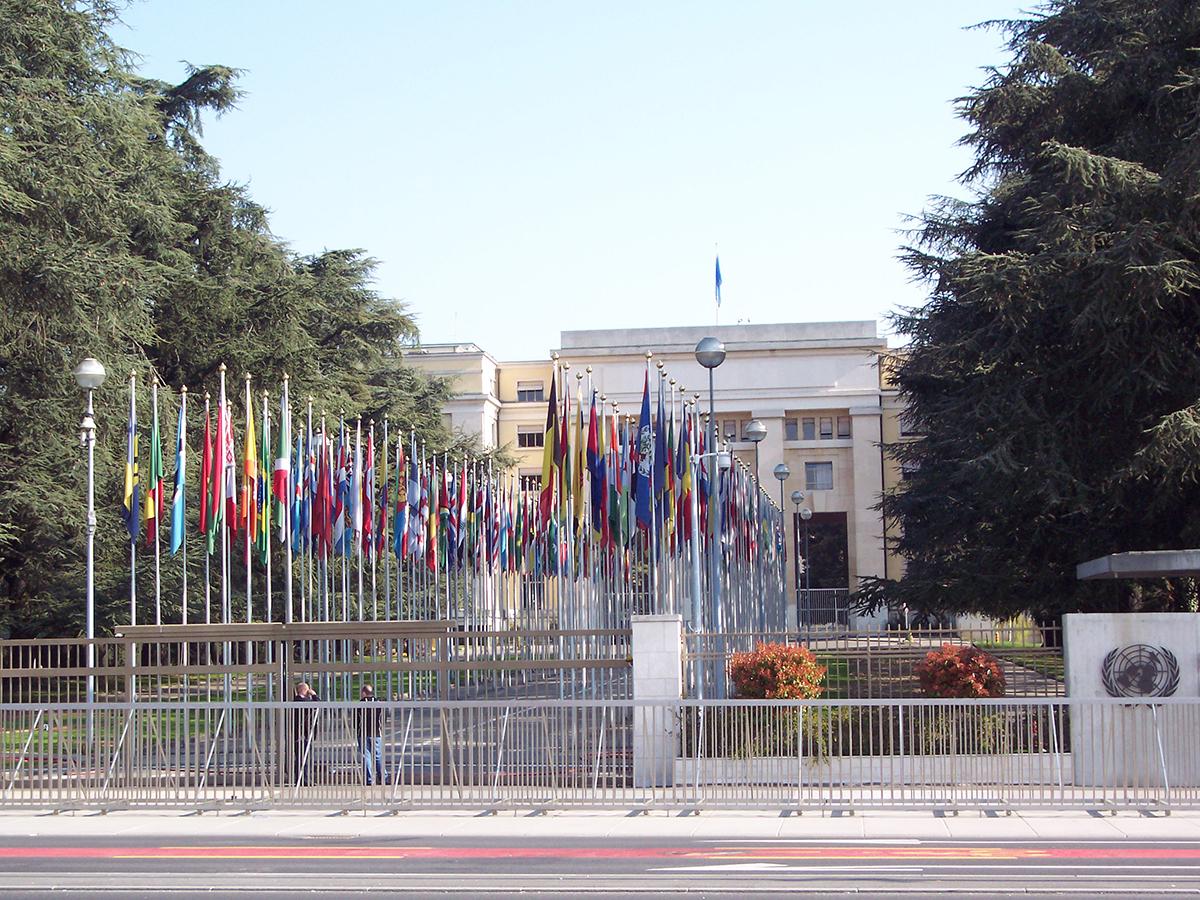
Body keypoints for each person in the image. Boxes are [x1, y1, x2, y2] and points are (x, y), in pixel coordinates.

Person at [355, 683, 387, 785]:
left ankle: (369, 779)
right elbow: (383, 718)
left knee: (366, 756)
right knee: (378, 756)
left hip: (362, 733)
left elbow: (356, 721)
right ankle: (383, 778)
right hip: (376, 733)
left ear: (364, 693)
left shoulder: (359, 704)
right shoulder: (379, 704)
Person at [292, 681, 320, 785]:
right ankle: (304, 780)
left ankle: (304, 779)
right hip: (303, 734)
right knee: (303, 758)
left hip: (303, 733)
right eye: (307, 690)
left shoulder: (299, 701)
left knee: (304, 758)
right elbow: (318, 704)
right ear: (304, 690)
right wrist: (314, 695)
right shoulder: (300, 701)